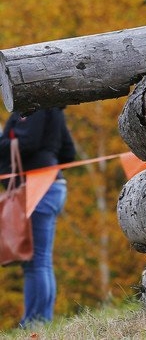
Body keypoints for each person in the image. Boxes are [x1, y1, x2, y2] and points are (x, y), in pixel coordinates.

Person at [0, 108, 76, 328]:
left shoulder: (31, 108)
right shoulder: (53, 107)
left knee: (35, 262)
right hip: (52, 185)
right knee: (39, 260)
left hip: (38, 187)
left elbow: (28, 143)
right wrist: (47, 157)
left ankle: (36, 321)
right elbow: (68, 152)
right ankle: (40, 319)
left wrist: (5, 143)